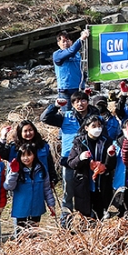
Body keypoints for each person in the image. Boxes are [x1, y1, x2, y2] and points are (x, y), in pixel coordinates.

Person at [41, 91, 94, 226]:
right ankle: (66, 221)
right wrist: (55, 106)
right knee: (68, 192)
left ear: (88, 101)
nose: (80, 104)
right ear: (72, 104)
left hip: (88, 159)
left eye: (83, 100)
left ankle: (87, 220)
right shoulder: (66, 116)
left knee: (87, 191)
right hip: (69, 160)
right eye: (76, 101)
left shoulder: (94, 117)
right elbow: (45, 118)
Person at [67, 115, 117, 220]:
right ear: (86, 128)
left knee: (100, 215)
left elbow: (112, 165)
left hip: (101, 184)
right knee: (85, 216)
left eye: (99, 126)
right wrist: (81, 157)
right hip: (84, 184)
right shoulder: (79, 142)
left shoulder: (107, 141)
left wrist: (109, 157)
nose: (97, 129)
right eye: (93, 126)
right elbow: (71, 163)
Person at [3, 143, 56, 233]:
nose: (26, 158)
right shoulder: (16, 169)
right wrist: (14, 172)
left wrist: (51, 204)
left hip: (37, 207)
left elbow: (46, 189)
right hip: (21, 208)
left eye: (29, 155)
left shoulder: (41, 169)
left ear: (34, 155)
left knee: (33, 234)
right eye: (23, 155)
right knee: (21, 235)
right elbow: (8, 186)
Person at [52, 28, 89, 98]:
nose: (66, 43)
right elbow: (71, 51)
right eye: (63, 41)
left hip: (79, 88)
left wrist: (85, 78)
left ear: (71, 42)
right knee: (67, 109)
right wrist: (81, 38)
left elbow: (79, 69)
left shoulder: (77, 54)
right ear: (58, 43)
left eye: (68, 41)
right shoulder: (57, 55)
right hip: (66, 90)